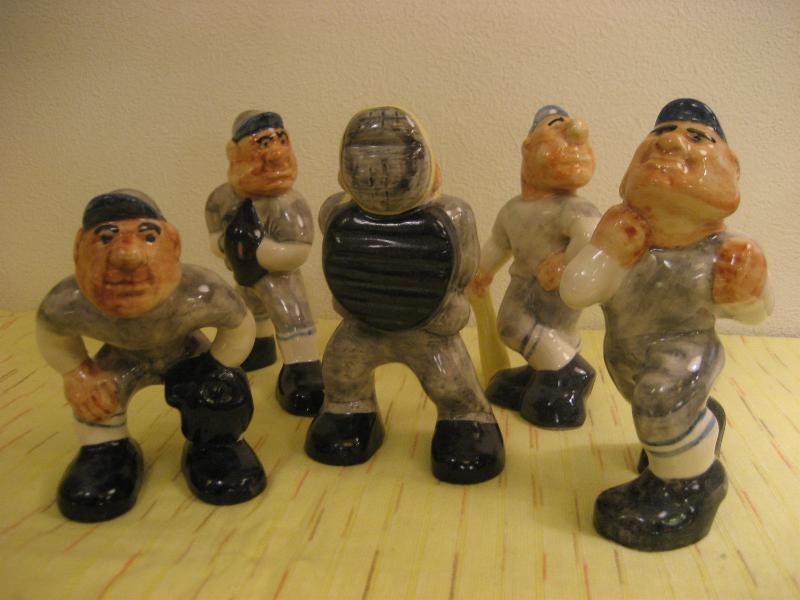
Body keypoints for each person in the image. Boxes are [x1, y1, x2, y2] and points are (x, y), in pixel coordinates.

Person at [561, 99, 772, 551]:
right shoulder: (619, 235)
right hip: (628, 358)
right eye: (661, 133)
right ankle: (696, 429)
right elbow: (575, 291)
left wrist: (748, 292)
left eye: (697, 138)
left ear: (730, 168)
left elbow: (756, 313)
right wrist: (606, 250)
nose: (673, 142)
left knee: (660, 401)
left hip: (687, 352)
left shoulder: (727, 250)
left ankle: (690, 485)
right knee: (658, 407)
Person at [37, 190, 267, 522]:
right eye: (106, 238)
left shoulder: (201, 291)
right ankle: (107, 451)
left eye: (148, 237)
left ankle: (215, 445)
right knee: (98, 398)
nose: (127, 256)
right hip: (121, 358)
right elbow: (53, 335)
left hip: (187, 353)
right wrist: (78, 372)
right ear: (78, 249)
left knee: (222, 390)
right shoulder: (69, 302)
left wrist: (216, 365)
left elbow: (239, 325)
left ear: (173, 246)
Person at [305, 106, 505, 484]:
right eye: (366, 157)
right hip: (363, 323)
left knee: (452, 383)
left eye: (397, 157)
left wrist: (453, 302)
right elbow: (338, 258)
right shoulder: (335, 212)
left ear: (432, 168)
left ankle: (466, 419)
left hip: (428, 327)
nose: (381, 170)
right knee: (341, 370)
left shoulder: (454, 215)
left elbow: (464, 268)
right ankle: (350, 410)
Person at [469, 105, 599, 427]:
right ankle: (543, 371)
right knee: (546, 333)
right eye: (556, 126)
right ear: (528, 148)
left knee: (512, 325)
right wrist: (481, 272)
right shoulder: (513, 209)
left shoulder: (574, 208)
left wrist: (564, 262)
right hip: (524, 284)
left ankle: (571, 374)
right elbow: (499, 244)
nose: (576, 133)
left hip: (554, 289)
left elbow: (591, 237)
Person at [205, 111, 323, 416]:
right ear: (235, 153)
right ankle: (257, 347)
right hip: (243, 276)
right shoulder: (222, 198)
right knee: (245, 311)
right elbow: (214, 237)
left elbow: (299, 250)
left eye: (282, 140)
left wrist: (260, 250)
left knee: (291, 315)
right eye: (264, 143)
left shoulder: (288, 203)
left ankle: (302, 369)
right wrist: (227, 245)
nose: (276, 153)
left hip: (281, 280)